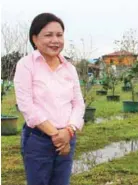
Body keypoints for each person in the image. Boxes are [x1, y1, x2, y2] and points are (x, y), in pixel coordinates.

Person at [13, 13, 85, 185]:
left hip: (67, 137)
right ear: (35, 39)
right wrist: (56, 135)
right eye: (48, 35)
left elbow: (78, 104)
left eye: (59, 35)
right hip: (38, 140)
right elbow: (27, 106)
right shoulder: (26, 65)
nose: (55, 40)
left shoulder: (69, 68)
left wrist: (68, 131)